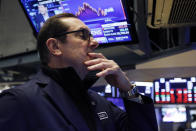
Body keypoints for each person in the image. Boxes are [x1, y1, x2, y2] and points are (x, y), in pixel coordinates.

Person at [0, 13, 158, 131]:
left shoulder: (99, 103)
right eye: (83, 35)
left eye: (92, 36)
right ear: (55, 47)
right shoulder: (19, 101)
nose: (95, 43)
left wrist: (129, 89)